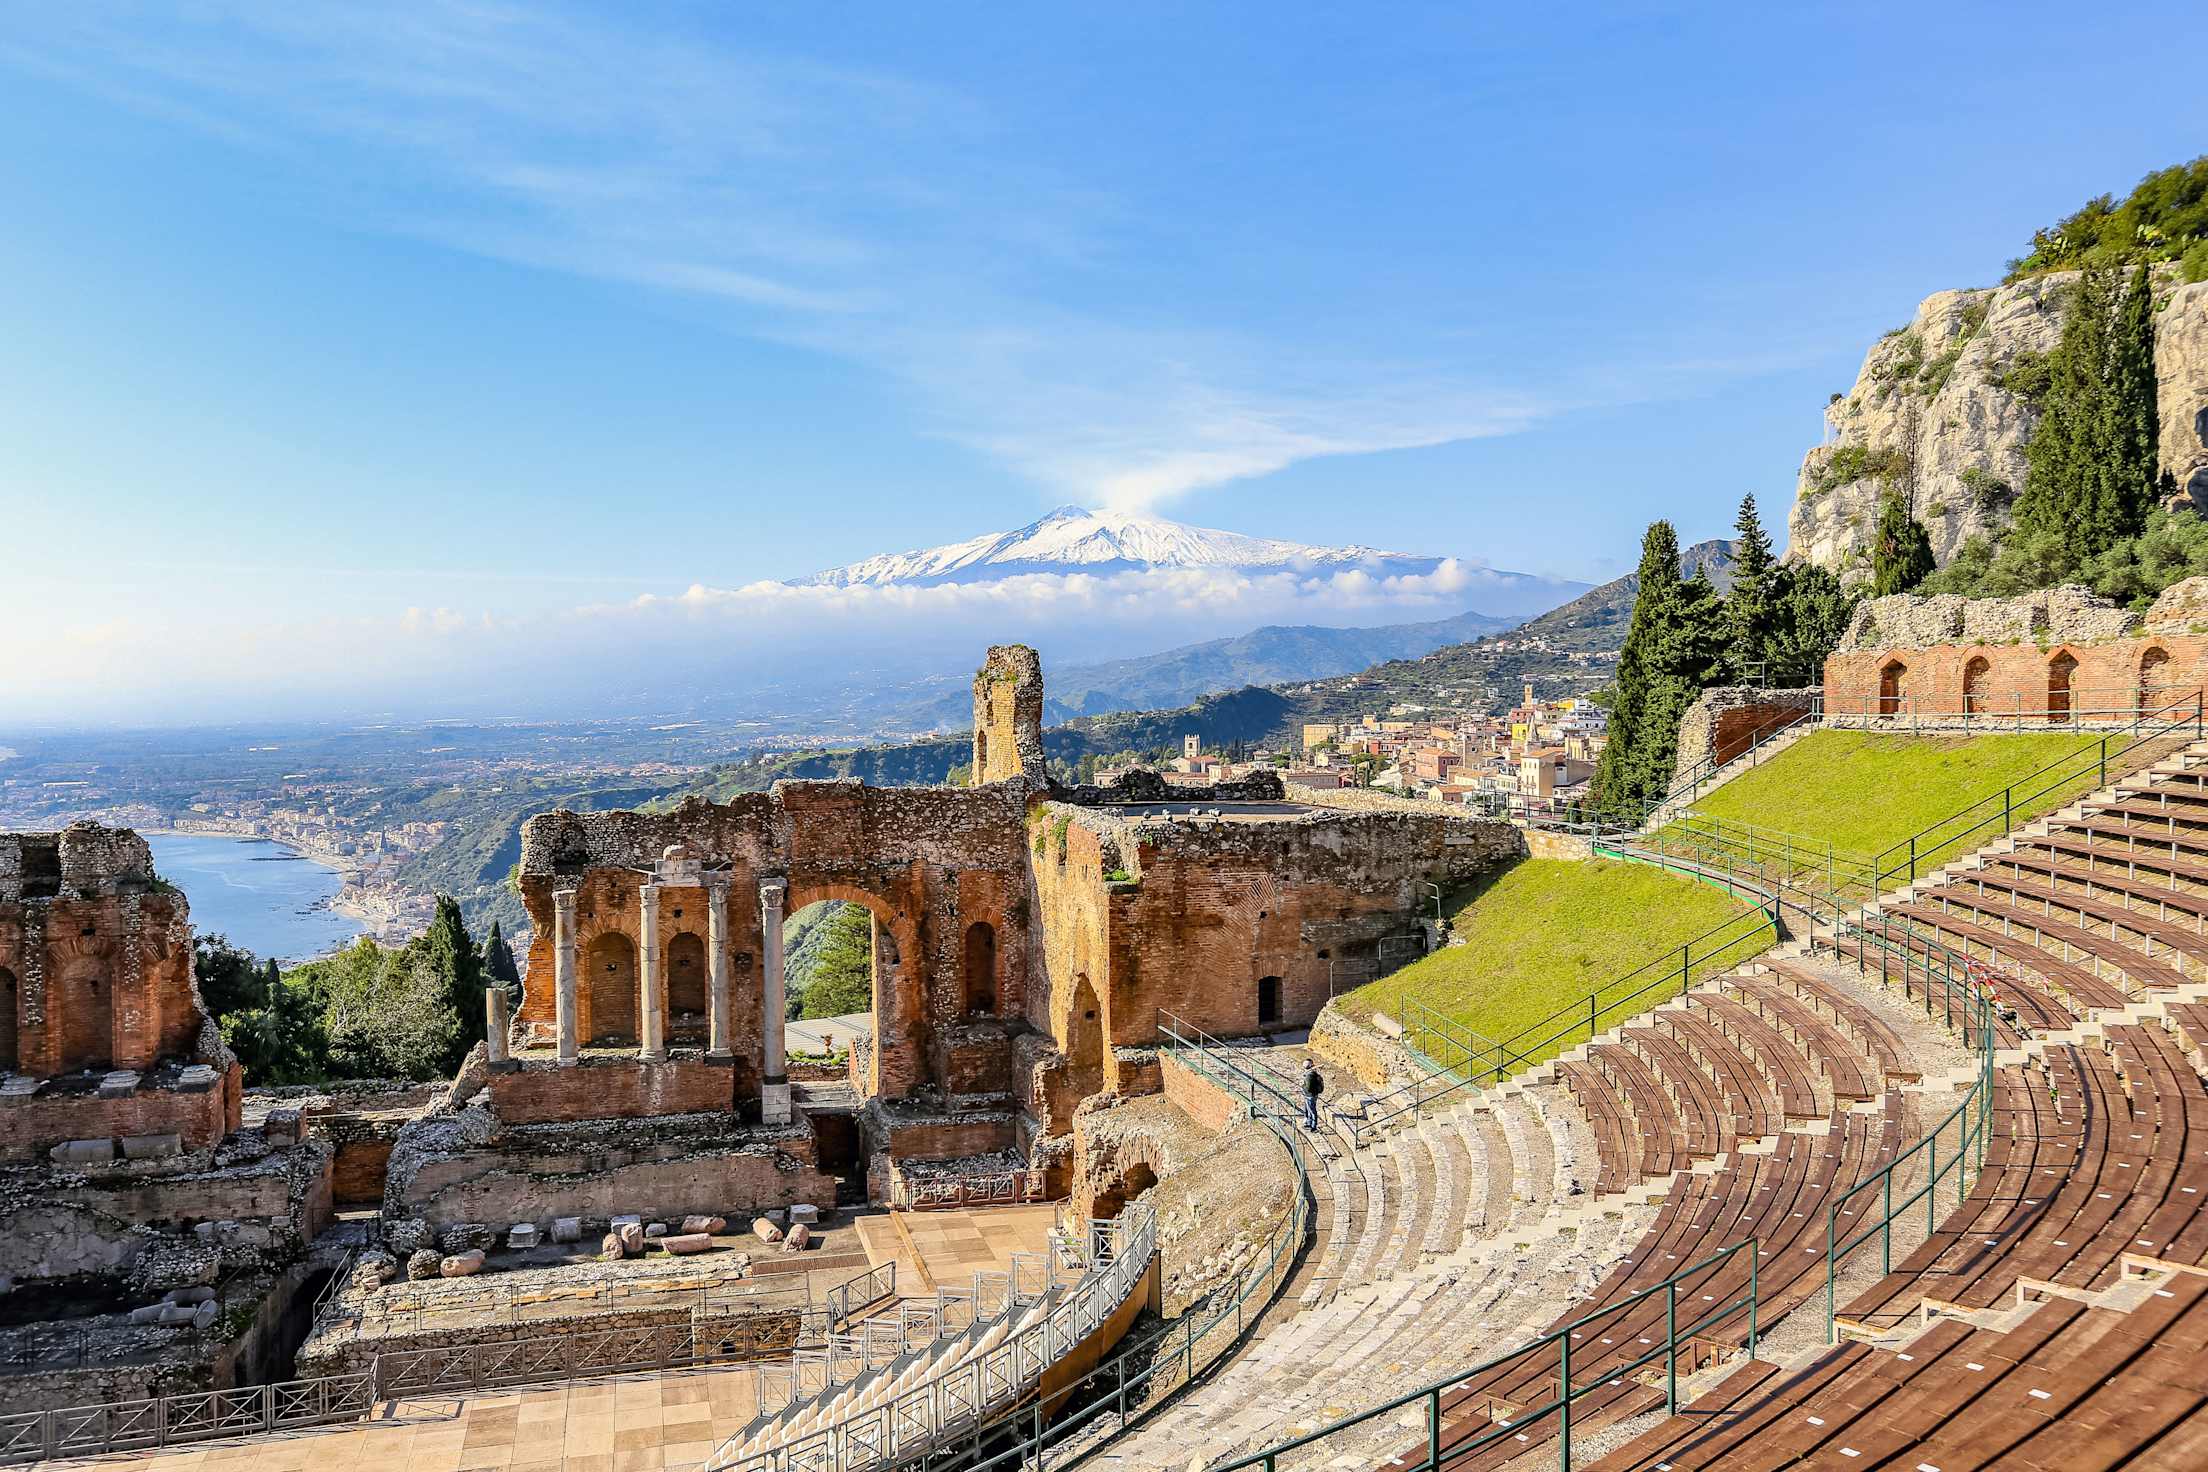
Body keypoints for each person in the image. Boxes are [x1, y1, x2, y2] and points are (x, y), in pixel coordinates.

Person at [1301, 1061, 1324, 1131]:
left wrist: (1302, 1086)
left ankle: (1313, 1126)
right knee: (1310, 1110)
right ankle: (1310, 1123)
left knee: (1312, 1110)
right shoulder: (1314, 1074)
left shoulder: (1309, 1076)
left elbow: (1308, 1087)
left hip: (1310, 1095)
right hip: (1314, 1094)